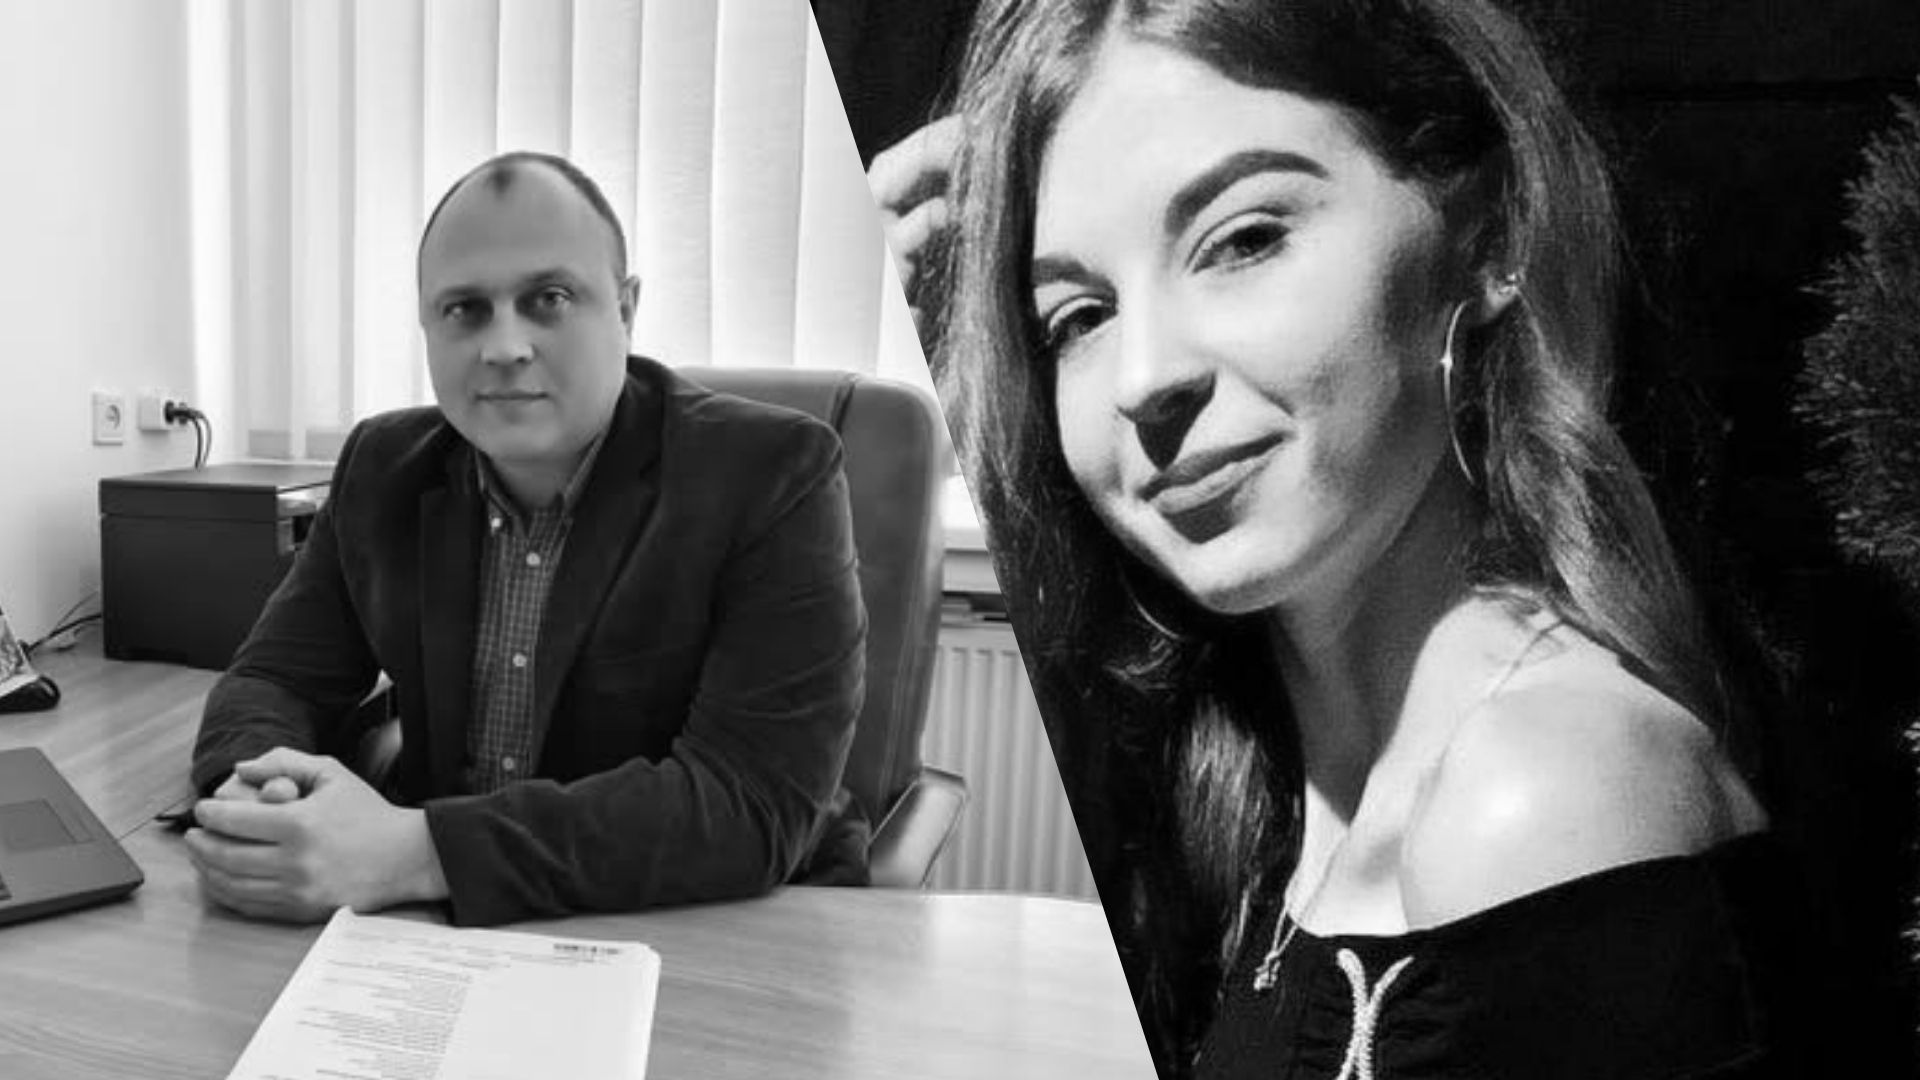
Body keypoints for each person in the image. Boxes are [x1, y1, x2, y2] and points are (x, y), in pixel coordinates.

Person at [873, 1, 1818, 1076]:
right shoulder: (1262, 784)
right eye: (1079, 318)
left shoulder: (1538, 792)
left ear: (1490, 238)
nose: (1144, 379)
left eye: (1244, 240)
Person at [186, 152, 868, 928]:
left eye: (550, 299)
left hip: (711, 924)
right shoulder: (383, 468)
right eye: (465, 308)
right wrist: (258, 793)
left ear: (625, 308)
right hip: (439, 933)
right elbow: (274, 678)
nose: (504, 346)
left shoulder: (772, 473)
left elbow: (747, 801)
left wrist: (416, 851)